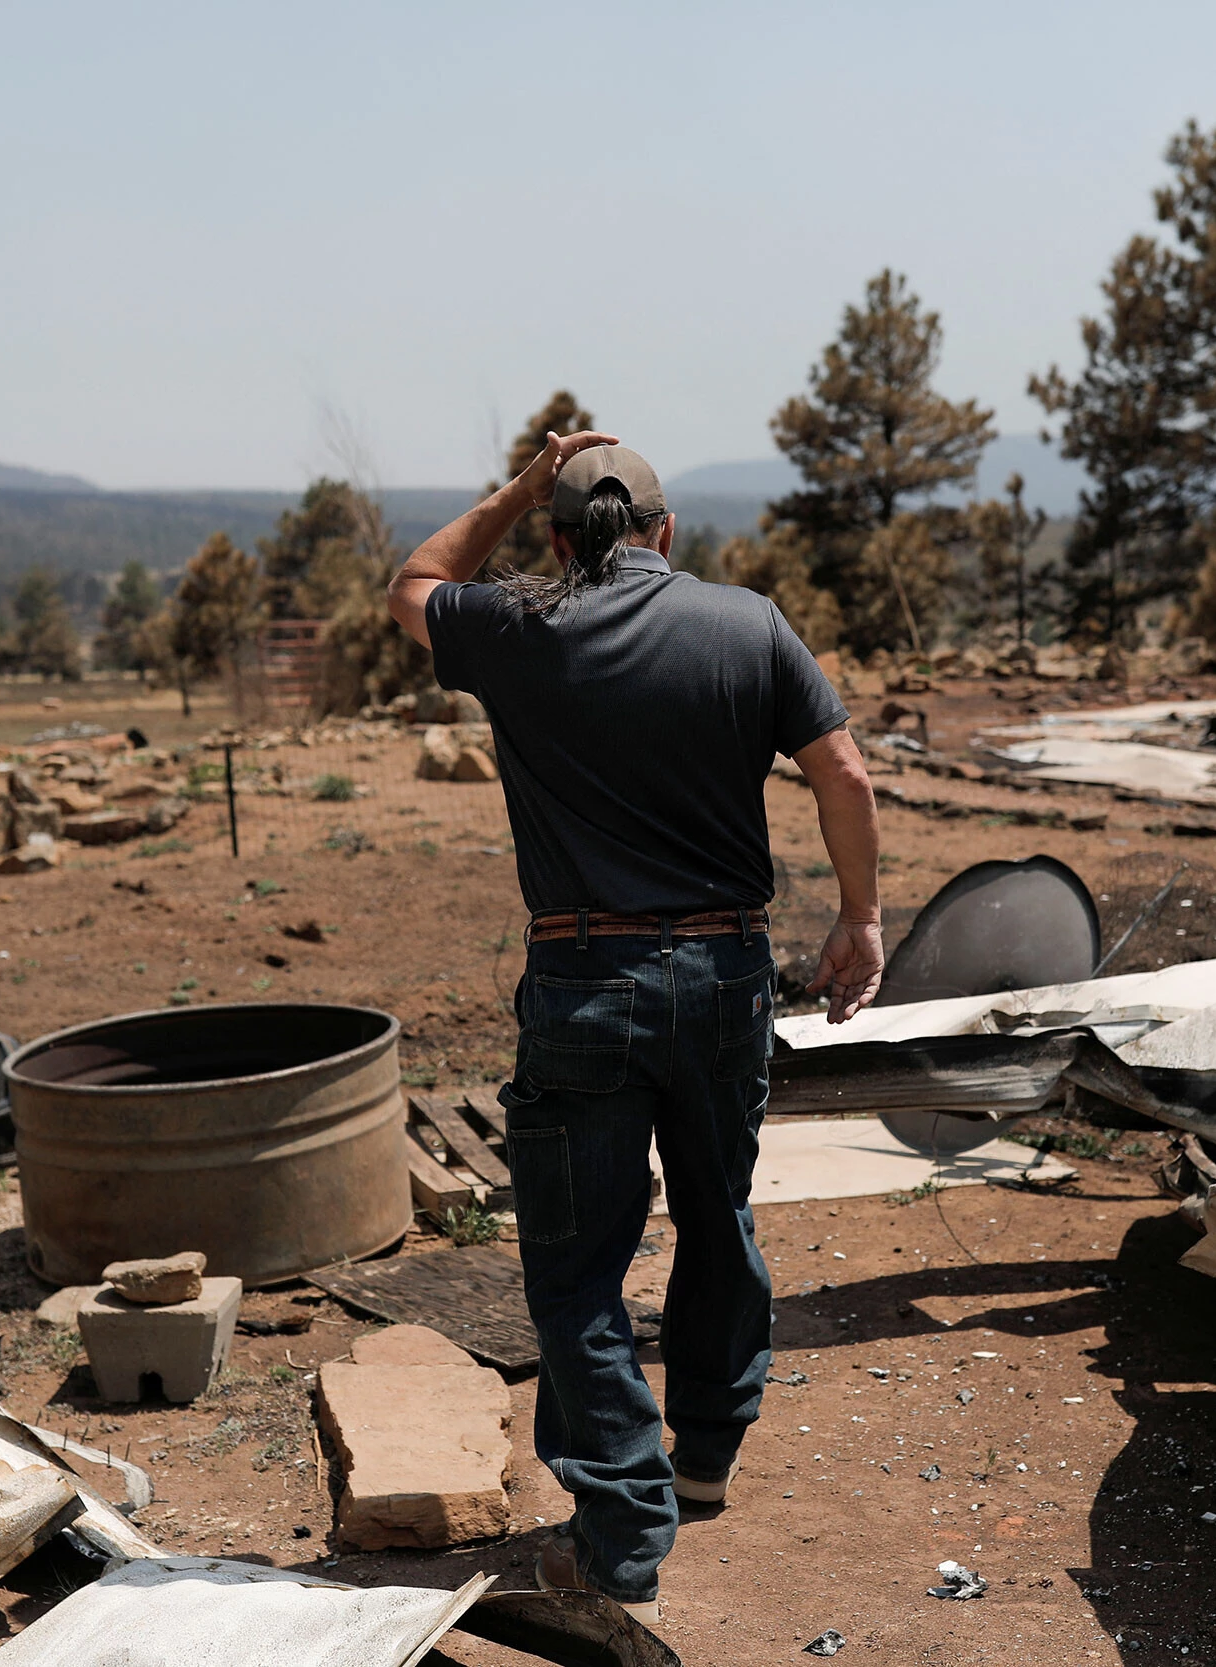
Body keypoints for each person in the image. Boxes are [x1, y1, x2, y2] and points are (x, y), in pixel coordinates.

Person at [386, 429, 884, 1624]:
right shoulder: (748, 625)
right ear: (665, 533)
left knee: (576, 1267)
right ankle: (703, 1453)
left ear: (559, 541)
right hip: (726, 973)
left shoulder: (518, 626)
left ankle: (619, 1534)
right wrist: (859, 918)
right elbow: (845, 775)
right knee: (718, 1215)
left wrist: (520, 484)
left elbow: (412, 582)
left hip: (585, 978)